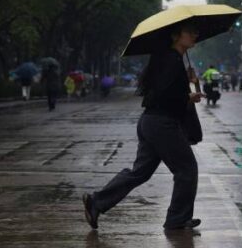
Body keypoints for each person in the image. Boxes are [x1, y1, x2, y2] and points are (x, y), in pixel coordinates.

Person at [82, 22, 203, 231]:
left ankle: (97, 202)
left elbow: (165, 93)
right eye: (190, 32)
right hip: (162, 124)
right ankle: (177, 219)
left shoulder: (169, 59)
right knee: (187, 169)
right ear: (176, 36)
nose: (195, 34)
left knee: (140, 172)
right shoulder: (171, 61)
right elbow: (166, 96)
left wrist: (191, 84)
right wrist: (188, 96)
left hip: (151, 122)